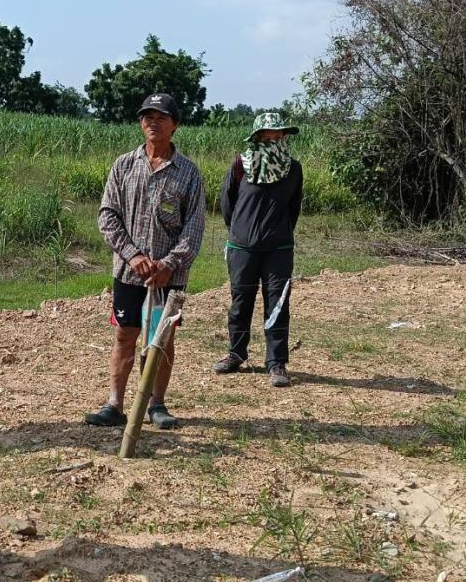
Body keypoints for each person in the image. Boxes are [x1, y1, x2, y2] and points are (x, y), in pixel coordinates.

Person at [84, 94, 205, 431]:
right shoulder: (124, 165)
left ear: (175, 124)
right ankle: (115, 404)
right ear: (140, 123)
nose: (153, 122)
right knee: (125, 335)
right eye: (147, 117)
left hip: (169, 278)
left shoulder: (189, 174)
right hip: (128, 273)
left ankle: (156, 404)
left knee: (161, 339)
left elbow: (194, 228)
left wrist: (169, 264)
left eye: (162, 117)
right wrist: (133, 255)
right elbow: (108, 216)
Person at [212, 111, 303, 388]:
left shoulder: (293, 168)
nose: (275, 138)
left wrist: (279, 232)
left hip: (279, 248)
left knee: (277, 304)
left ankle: (276, 364)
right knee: (241, 302)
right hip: (242, 247)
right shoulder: (241, 164)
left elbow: (293, 208)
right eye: (269, 134)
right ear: (258, 136)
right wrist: (241, 231)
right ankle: (236, 354)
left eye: (279, 134)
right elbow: (228, 204)